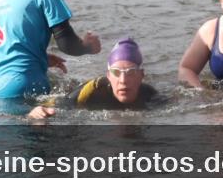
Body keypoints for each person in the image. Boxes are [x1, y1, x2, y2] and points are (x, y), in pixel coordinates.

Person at [28, 38, 157, 118]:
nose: (123, 80)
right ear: (108, 76)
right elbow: (57, 105)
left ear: (141, 75)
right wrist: (36, 112)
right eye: (116, 73)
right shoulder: (92, 91)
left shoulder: (150, 95)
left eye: (130, 72)